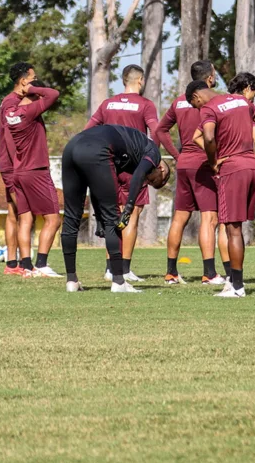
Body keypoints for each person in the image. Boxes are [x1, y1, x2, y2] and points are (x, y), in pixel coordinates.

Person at [61, 125, 172, 293]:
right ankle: (119, 282)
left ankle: (71, 281)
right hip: (97, 147)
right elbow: (139, 175)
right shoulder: (153, 153)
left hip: (71, 147)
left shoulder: (126, 158)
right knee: (113, 218)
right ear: (161, 169)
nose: (148, 182)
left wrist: (98, 216)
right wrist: (128, 209)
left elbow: (96, 183)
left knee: (71, 217)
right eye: (153, 180)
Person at [84, 64, 164, 284]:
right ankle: (125, 269)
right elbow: (155, 131)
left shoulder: (107, 104)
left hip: (108, 165)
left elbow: (88, 130)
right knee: (131, 217)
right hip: (134, 167)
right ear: (141, 81)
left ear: (123, 80)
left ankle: (111, 269)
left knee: (111, 216)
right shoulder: (145, 105)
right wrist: (153, 157)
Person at [201, 72, 255, 298]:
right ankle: (237, 281)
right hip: (253, 168)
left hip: (232, 169)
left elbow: (209, 137)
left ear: (197, 96)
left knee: (232, 229)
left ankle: (237, 286)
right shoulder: (244, 102)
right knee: (238, 228)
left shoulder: (210, 107)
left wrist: (213, 161)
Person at [160, 61, 228, 285]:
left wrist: (177, 155)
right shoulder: (215, 100)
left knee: (179, 217)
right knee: (209, 218)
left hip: (184, 164)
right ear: (209, 78)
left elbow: (160, 130)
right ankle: (209, 273)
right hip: (204, 163)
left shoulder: (179, 102)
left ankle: (171, 272)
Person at [0, 62, 63, 278]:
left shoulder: (14, 109)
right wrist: (33, 90)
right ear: (24, 80)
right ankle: (36, 264)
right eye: (32, 78)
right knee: (50, 218)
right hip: (28, 169)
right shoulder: (22, 107)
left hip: (17, 170)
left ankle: (25, 265)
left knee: (24, 217)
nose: (35, 81)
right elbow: (53, 94)